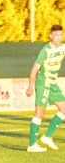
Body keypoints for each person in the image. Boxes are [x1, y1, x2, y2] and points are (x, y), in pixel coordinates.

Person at [26, 24, 65, 152]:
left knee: (64, 109)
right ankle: (32, 145)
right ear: (50, 36)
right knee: (39, 113)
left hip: (53, 84)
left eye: (60, 35)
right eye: (56, 35)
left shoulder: (63, 47)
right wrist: (30, 86)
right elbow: (34, 69)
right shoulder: (45, 51)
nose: (58, 37)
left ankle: (47, 137)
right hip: (43, 83)